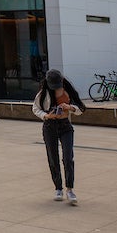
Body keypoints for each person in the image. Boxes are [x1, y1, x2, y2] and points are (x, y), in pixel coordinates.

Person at [32, 68, 86, 206]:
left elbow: (81, 108)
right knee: (53, 158)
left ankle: (70, 189)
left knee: (68, 157)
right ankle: (58, 188)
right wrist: (46, 115)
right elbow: (35, 108)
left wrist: (70, 107)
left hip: (65, 126)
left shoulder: (68, 90)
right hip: (50, 126)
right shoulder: (43, 93)